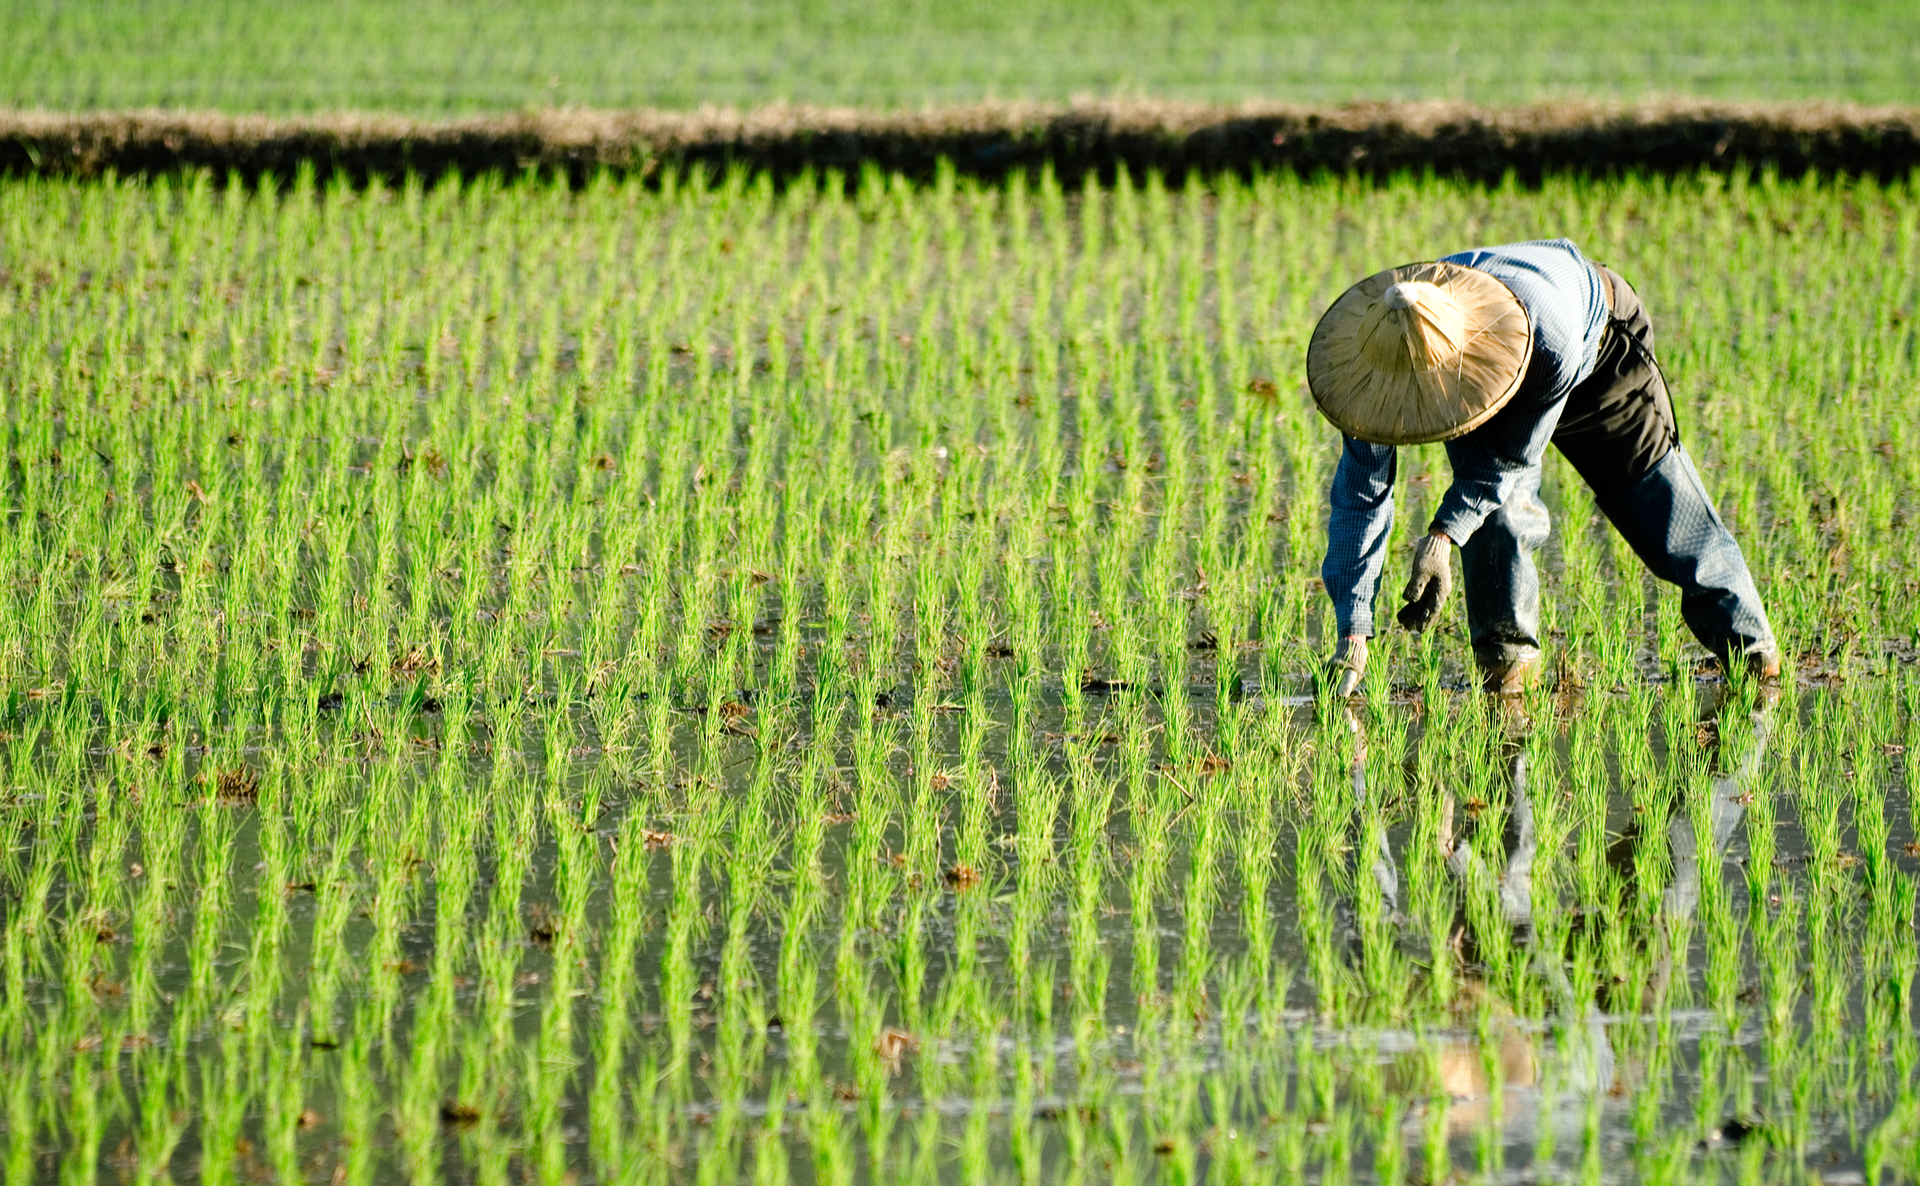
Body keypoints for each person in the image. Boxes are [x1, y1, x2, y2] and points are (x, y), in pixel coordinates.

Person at [1307, 239, 1779, 696]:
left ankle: (1754, 657)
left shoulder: (1548, 336)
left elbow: (1510, 458)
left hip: (1596, 351)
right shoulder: (1371, 374)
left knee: (1656, 506)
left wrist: (1443, 535)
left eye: (1425, 392)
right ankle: (1507, 678)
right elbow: (1359, 498)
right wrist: (1353, 630)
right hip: (1476, 368)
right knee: (1497, 520)